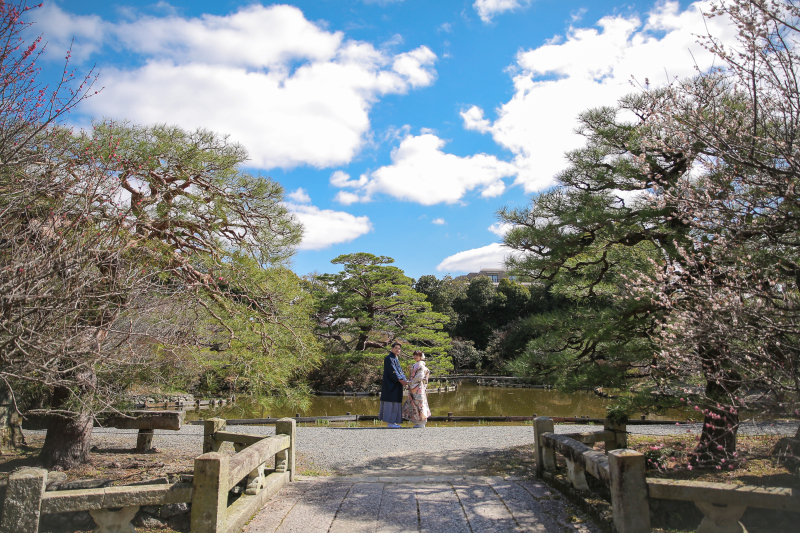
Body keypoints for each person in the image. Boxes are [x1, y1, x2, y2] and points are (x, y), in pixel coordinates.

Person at [379, 342, 408, 428]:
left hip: (397, 383)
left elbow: (400, 371)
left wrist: (404, 379)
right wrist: (400, 380)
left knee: (396, 402)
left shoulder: (396, 358)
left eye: (399, 348)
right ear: (392, 348)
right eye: (396, 348)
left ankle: (393, 421)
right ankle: (390, 423)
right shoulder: (389, 358)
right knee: (391, 402)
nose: (397, 350)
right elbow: (393, 371)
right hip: (390, 384)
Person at [402, 350, 431, 428]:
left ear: (421, 357)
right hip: (415, 387)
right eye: (414, 355)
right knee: (416, 404)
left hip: (418, 387)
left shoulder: (421, 365)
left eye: (417, 355)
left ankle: (421, 422)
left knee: (419, 404)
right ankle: (419, 422)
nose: (415, 357)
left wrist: (410, 382)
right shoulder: (417, 365)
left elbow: (420, 377)